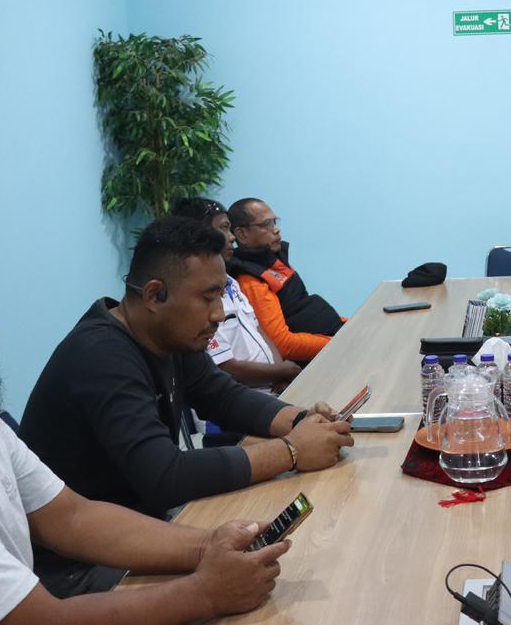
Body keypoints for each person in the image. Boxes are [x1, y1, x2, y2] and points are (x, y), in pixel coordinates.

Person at [0, 226, 291, 624]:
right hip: (55, 592)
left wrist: (208, 545)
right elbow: (43, 621)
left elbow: (72, 517)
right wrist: (206, 594)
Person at [20, 217, 353, 597]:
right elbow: (165, 476)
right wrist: (291, 451)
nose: (219, 313)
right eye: (207, 298)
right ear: (154, 295)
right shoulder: (101, 356)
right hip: (80, 568)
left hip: (144, 530)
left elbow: (224, 397)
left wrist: (305, 421)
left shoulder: (165, 334)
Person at [172, 197, 301, 393]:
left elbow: (259, 330)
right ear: (200, 235)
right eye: (224, 228)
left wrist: (279, 373)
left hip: (272, 388)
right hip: (241, 397)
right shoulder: (195, 298)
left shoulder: (231, 282)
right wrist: (282, 371)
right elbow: (226, 368)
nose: (232, 237)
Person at [227, 197, 344, 362]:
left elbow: (304, 308)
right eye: (266, 224)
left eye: (275, 222)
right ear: (242, 234)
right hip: (323, 357)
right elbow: (283, 344)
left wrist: (350, 325)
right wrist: (341, 342)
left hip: (335, 336)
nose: (276, 230)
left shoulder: (273, 260)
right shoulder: (250, 280)